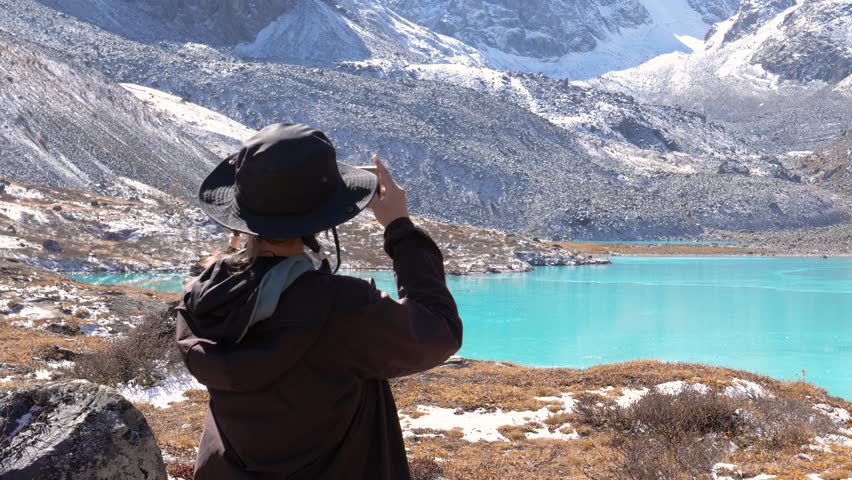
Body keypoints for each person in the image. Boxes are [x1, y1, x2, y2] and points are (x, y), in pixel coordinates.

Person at [175, 123, 463, 480]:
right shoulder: (344, 309)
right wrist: (400, 228)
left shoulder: (205, 298)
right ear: (324, 215)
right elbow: (440, 330)